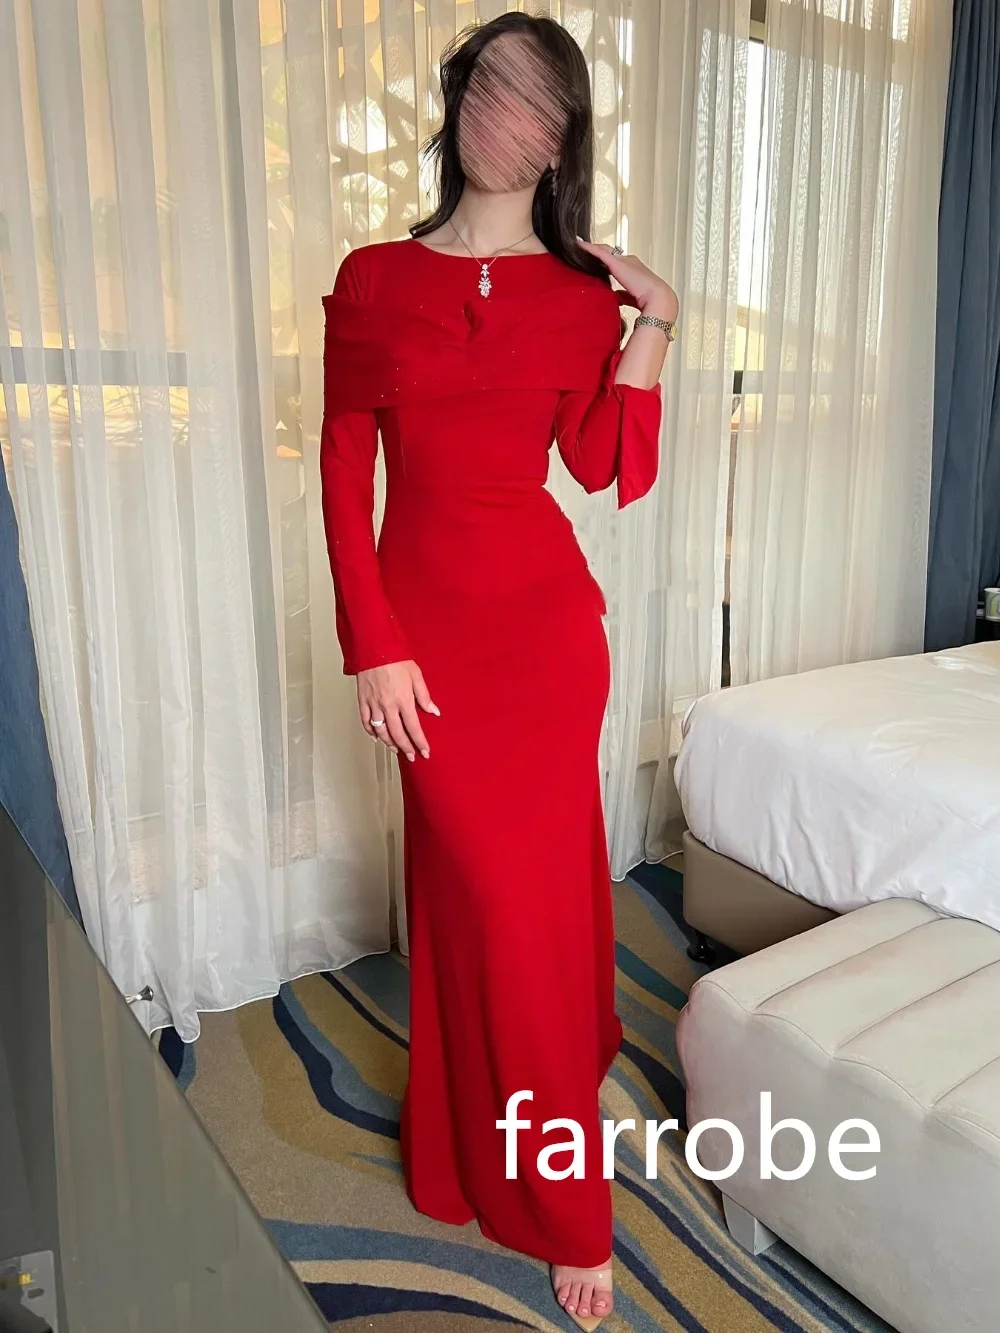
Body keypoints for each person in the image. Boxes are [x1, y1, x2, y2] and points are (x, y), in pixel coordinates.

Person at [320, 12, 677, 1329]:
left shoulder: (580, 299)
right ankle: (481, 1131)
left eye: (536, 102)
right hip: (426, 647)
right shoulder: (373, 279)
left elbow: (601, 464)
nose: (503, 117)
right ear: (457, 99)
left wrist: (656, 321)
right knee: (482, 902)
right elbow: (342, 469)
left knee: (523, 903)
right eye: (489, 87)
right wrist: (375, 641)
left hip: (546, 638)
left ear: (562, 138)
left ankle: (564, 1204)